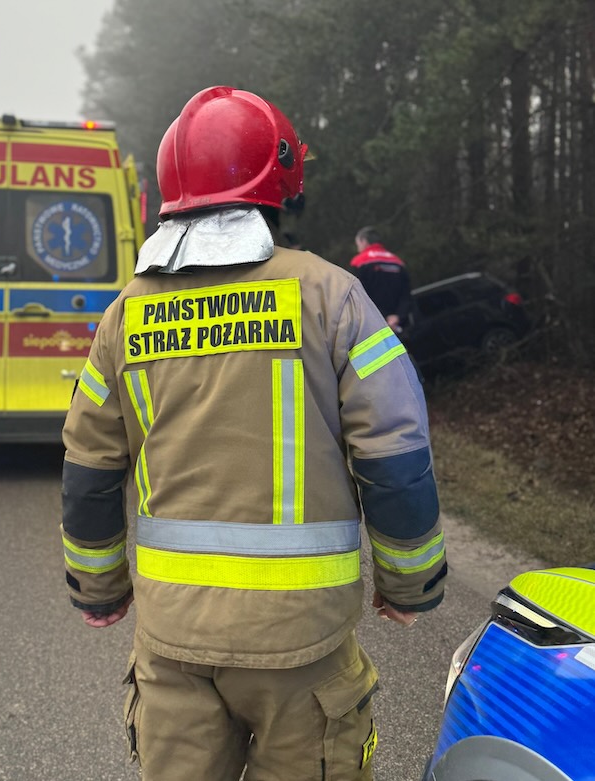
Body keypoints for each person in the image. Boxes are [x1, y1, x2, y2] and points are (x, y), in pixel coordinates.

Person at [60, 86, 446, 781]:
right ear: (280, 187)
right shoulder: (330, 296)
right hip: (302, 644)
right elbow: (393, 449)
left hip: (173, 641)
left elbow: (88, 464)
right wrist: (410, 583)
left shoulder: (125, 315)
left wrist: (99, 588)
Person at [349, 227, 414, 333]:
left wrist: (384, 317)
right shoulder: (397, 261)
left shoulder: (359, 262)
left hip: (375, 325)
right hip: (401, 326)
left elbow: (358, 295)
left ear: (364, 241)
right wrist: (398, 316)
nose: (358, 249)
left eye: (358, 245)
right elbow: (406, 295)